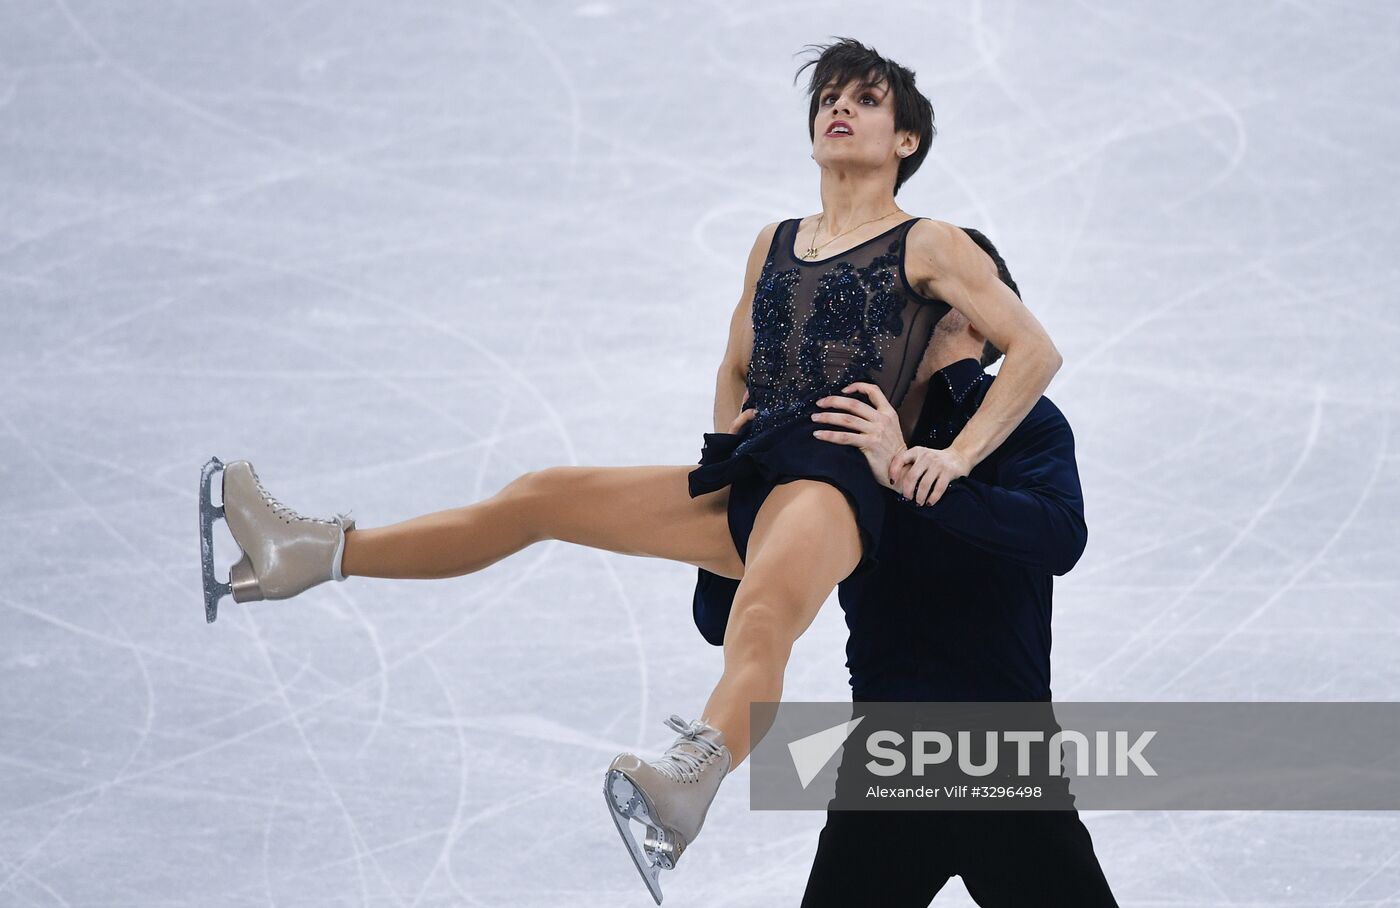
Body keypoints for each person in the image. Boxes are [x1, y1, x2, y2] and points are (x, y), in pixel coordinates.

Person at [195, 38, 1064, 904]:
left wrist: (947, 458)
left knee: (761, 619)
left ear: (905, 140)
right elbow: (735, 363)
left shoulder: (931, 242)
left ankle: (689, 784)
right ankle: (313, 553)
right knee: (544, 496)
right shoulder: (775, 242)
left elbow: (1033, 350)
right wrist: (733, 434)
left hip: (836, 485)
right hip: (756, 471)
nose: (840, 108)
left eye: (866, 100)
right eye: (828, 98)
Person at [696, 257, 1118, 905]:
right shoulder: (832, 438)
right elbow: (718, 619)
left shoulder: (1023, 423)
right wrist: (734, 479)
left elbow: (1058, 538)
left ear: (983, 319)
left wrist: (907, 475)